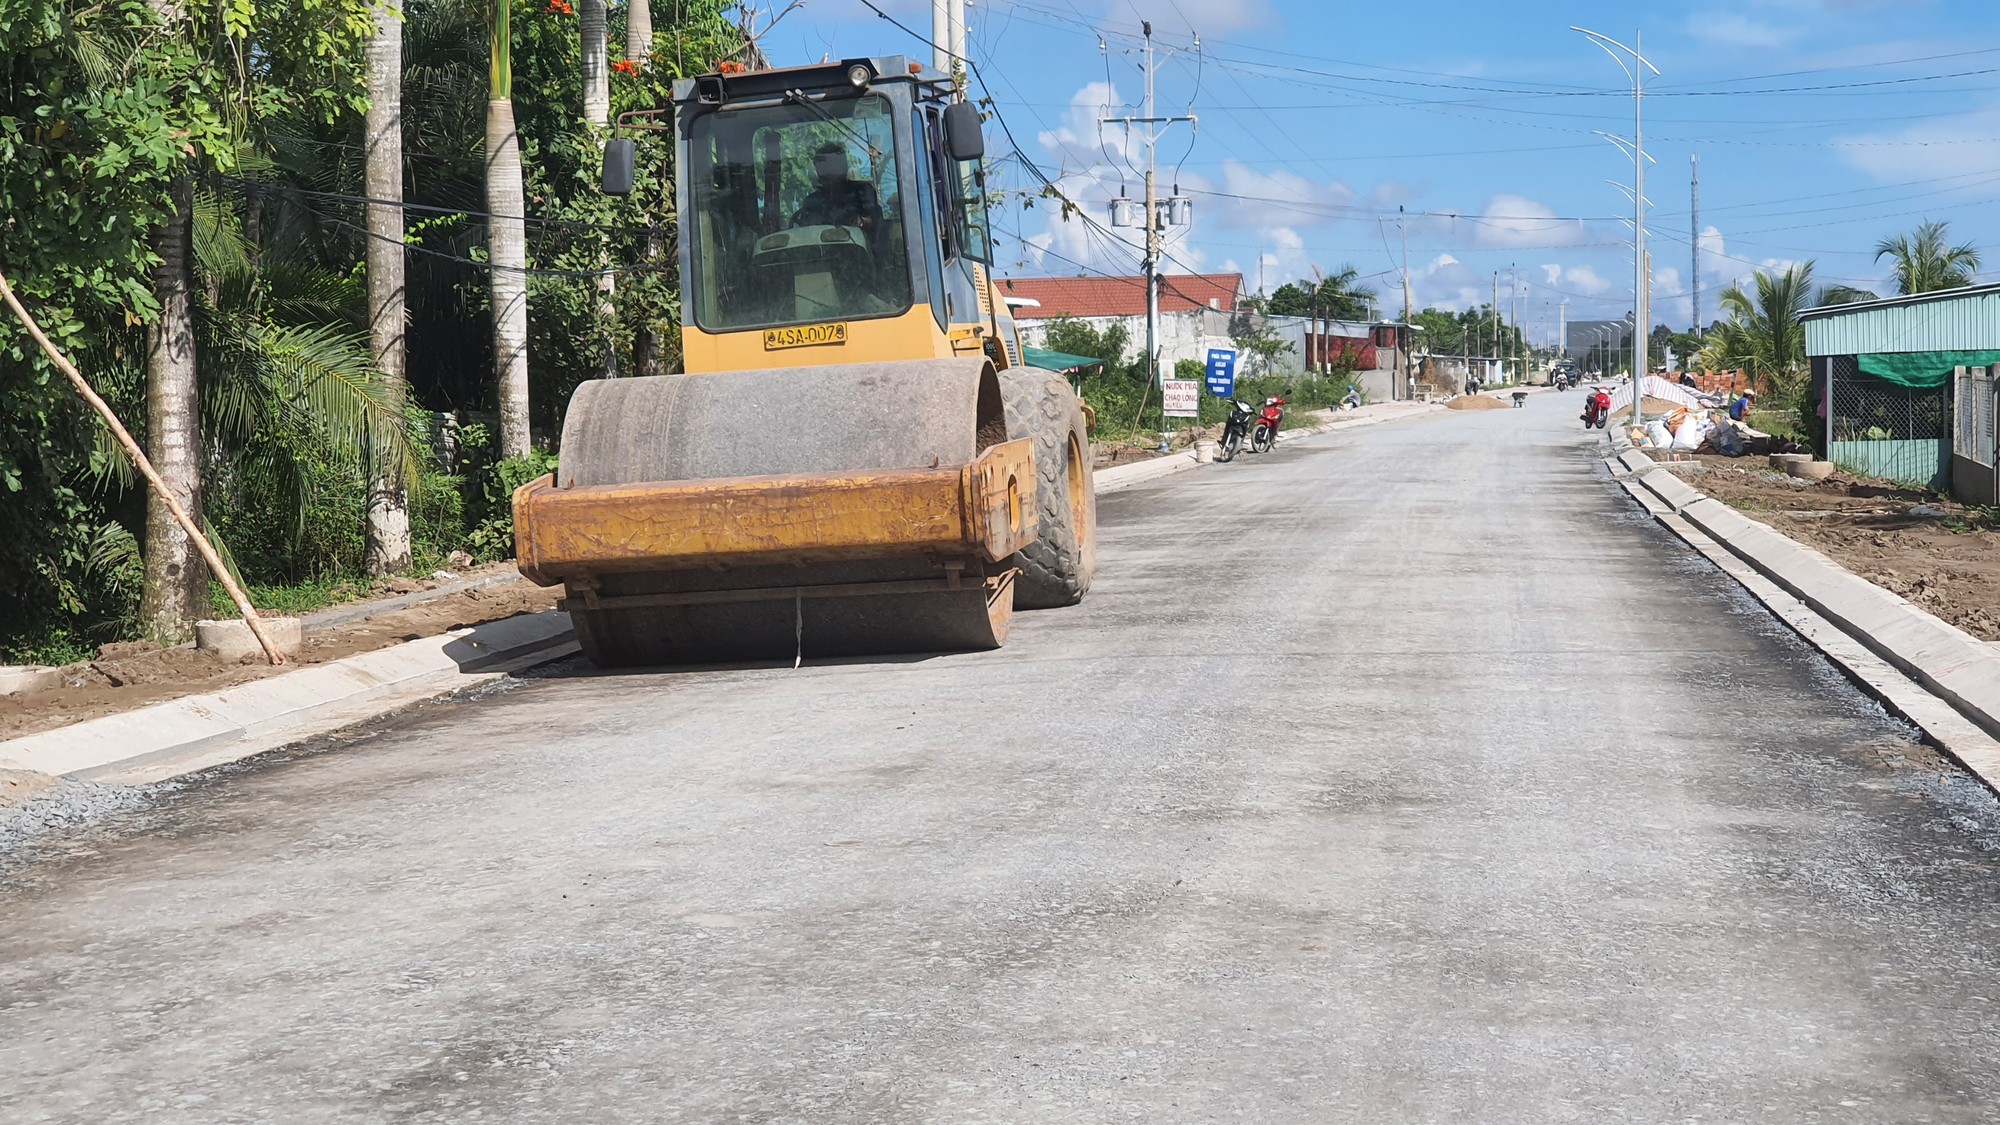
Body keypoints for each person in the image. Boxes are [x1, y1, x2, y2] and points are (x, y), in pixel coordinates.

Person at [793, 143, 881, 231]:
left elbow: (876, 224)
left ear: (843, 166)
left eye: (832, 164)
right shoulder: (812, 201)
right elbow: (804, 232)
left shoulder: (862, 192)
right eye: (822, 165)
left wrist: (858, 221)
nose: (827, 171)